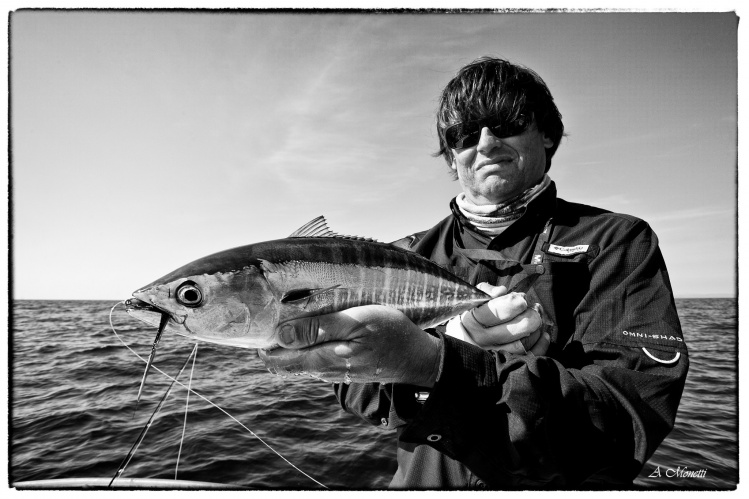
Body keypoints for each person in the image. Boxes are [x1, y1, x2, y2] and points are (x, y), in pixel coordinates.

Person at [260, 57, 688, 489]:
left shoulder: (616, 240)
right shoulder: (411, 252)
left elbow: (627, 417)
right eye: (463, 135)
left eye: (506, 123)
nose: (484, 143)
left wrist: (438, 362)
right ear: (451, 155)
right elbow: (367, 401)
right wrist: (420, 371)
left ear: (548, 134)